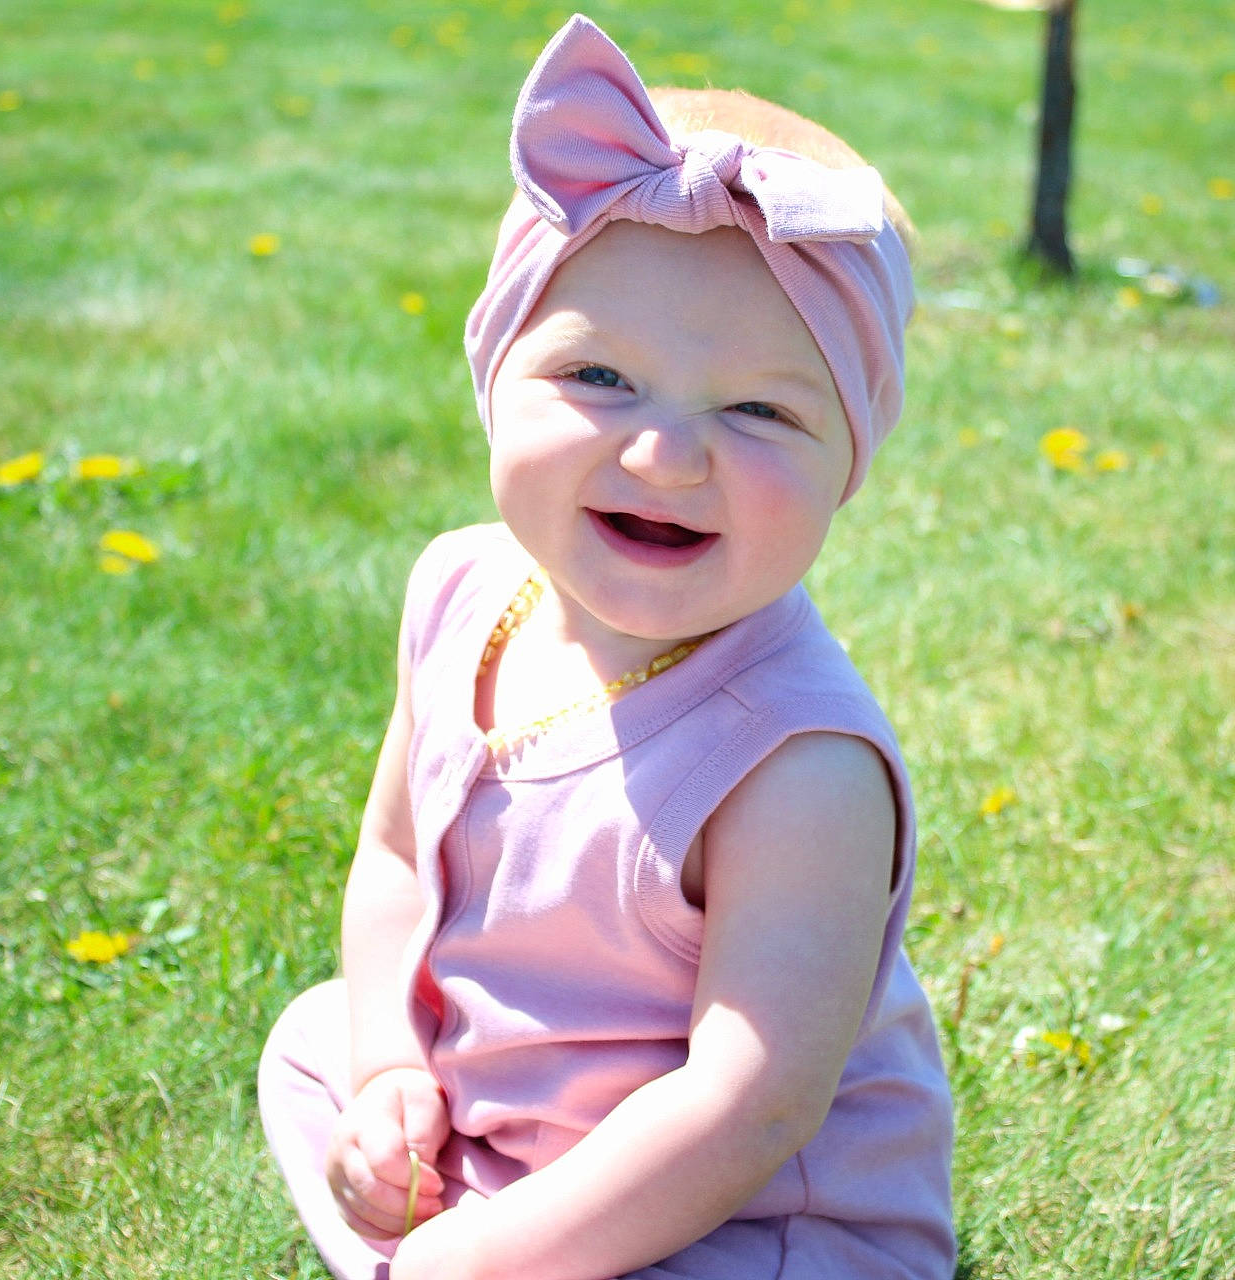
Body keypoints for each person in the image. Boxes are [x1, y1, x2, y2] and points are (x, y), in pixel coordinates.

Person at [256, 14, 955, 1279]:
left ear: (849, 460)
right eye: (599, 378)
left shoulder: (798, 764)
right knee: (314, 1039)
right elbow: (397, 855)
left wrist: (477, 1261)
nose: (664, 454)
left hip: (744, 1217)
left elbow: (747, 1107)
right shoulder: (461, 587)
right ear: (495, 367)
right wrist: (389, 1072)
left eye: (757, 409)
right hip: (520, 1141)